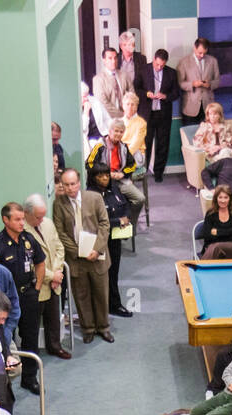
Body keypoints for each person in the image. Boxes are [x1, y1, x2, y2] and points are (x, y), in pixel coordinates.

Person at [53, 168, 113, 343]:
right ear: (62, 186)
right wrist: (78, 251)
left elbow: (104, 224)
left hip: (97, 256)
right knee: (81, 294)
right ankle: (88, 328)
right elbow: (60, 232)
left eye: (73, 184)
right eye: (66, 185)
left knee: (101, 293)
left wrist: (96, 249)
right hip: (76, 259)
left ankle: (103, 327)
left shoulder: (94, 198)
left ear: (79, 183)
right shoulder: (59, 204)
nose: (70, 188)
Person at [0, 202, 46, 394]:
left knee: (31, 338)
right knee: (6, 340)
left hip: (28, 295)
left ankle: (30, 379)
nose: (22, 222)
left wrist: (37, 288)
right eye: (17, 219)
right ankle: (7, 381)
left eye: (23, 218)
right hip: (6, 302)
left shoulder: (28, 239)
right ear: (5, 220)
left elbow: (40, 262)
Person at [23, 193, 71, 361]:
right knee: (33, 324)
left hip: (53, 281)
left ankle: (55, 347)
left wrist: (57, 273)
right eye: (38, 217)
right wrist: (52, 277)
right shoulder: (21, 232)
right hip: (37, 285)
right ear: (26, 213)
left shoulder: (48, 223)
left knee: (53, 319)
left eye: (43, 215)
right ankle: (32, 355)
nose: (41, 220)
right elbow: (29, 264)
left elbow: (59, 248)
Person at [87, 167, 132, 319]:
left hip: (115, 239)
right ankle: (100, 307)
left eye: (107, 175)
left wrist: (125, 217)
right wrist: (117, 221)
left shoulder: (114, 189)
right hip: (99, 240)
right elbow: (95, 221)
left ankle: (114, 304)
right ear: (94, 178)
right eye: (100, 176)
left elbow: (125, 205)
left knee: (113, 273)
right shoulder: (91, 195)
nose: (105, 179)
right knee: (100, 276)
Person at [87, 118, 146, 211]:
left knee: (140, 199)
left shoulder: (124, 147)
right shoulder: (100, 145)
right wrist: (106, 173)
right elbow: (89, 164)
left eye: (121, 132)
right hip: (103, 182)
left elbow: (132, 165)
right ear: (110, 131)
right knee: (111, 206)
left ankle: (130, 223)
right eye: (116, 131)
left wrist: (122, 173)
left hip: (120, 181)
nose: (118, 134)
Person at [137, 48, 178, 181]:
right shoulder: (143, 70)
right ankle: (143, 171)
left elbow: (176, 93)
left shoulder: (171, 73)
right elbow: (135, 88)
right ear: (154, 59)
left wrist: (165, 96)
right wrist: (146, 94)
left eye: (162, 65)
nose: (159, 67)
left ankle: (158, 173)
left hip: (163, 113)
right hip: (147, 113)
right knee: (146, 144)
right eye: (157, 64)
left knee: (163, 143)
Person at [177, 37, 219, 127]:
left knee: (208, 138)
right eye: (200, 53)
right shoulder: (184, 62)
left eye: (204, 53)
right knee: (190, 136)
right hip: (190, 107)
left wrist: (210, 84)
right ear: (194, 48)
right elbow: (179, 83)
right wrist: (192, 84)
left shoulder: (213, 61)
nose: (202, 55)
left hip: (208, 107)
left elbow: (218, 81)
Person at [199, 184, 232, 260]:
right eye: (220, 197)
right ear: (216, 198)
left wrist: (217, 232)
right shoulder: (210, 213)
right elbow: (207, 235)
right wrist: (231, 231)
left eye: (226, 197)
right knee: (217, 249)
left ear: (230, 198)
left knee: (217, 247)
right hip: (213, 246)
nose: (223, 200)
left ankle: (201, 267)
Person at [92, 47, 128, 121]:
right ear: (104, 60)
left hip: (127, 117)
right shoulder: (98, 79)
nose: (113, 61)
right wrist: (122, 115)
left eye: (115, 58)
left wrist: (129, 112)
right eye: (110, 58)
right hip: (109, 120)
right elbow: (103, 103)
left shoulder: (124, 75)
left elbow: (132, 95)